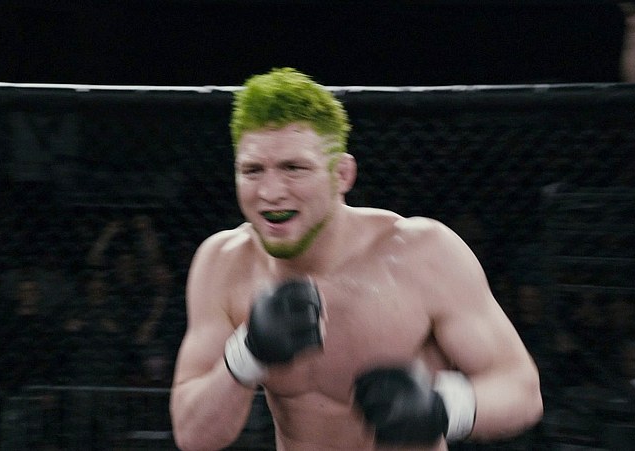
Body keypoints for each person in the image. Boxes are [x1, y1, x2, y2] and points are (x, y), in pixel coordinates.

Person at [169, 68, 543, 450]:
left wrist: (442, 408)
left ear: (342, 174)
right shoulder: (223, 263)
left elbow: (521, 389)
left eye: (293, 168)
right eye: (252, 171)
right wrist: (246, 354)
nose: (270, 192)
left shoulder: (423, 253)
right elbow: (193, 434)